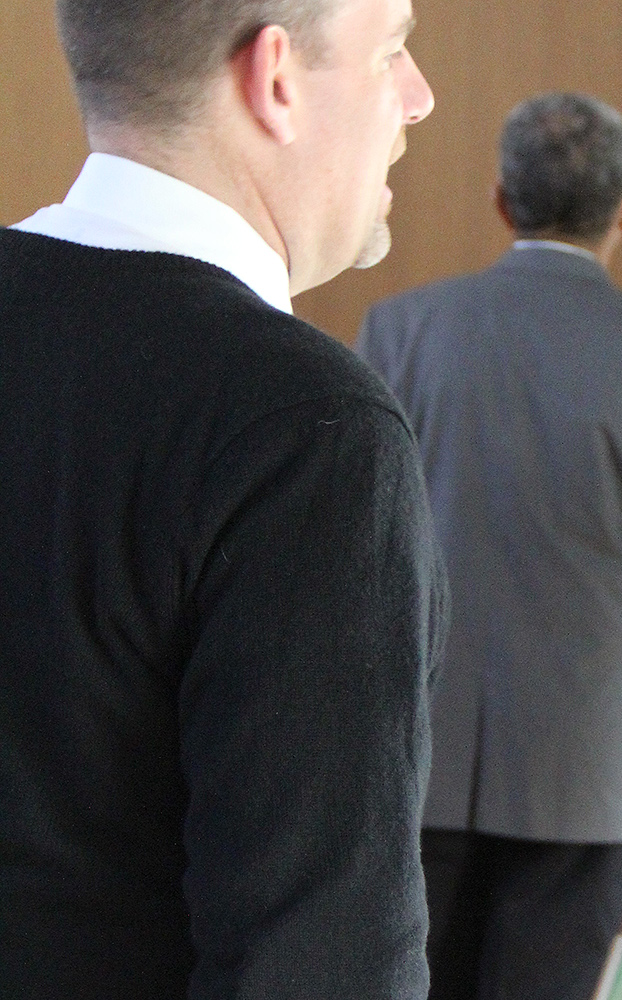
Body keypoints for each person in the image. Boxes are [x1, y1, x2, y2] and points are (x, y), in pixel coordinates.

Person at [0, 1, 442, 998]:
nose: (418, 98)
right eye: (393, 50)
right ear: (276, 78)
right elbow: (318, 959)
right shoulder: (303, 430)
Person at [358, 92, 622, 1000]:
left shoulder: (399, 330)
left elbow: (361, 547)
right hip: (588, 762)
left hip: (416, 741)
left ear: (500, 200)